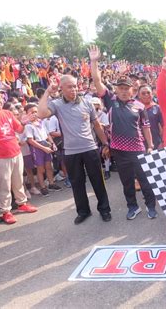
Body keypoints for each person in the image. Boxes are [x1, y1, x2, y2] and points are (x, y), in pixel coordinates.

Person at [89, 46, 157, 220]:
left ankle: (150, 206)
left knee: (145, 180)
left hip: (138, 150)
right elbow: (97, 81)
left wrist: (150, 146)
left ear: (132, 90)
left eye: (127, 88)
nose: (124, 91)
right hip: (119, 151)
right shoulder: (110, 100)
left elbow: (146, 127)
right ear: (117, 90)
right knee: (127, 182)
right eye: (121, 88)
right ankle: (133, 207)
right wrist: (94, 61)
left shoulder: (140, 106)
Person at [38, 75, 112, 225]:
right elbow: (41, 114)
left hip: (90, 148)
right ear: (62, 89)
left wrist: (105, 143)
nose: (74, 89)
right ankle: (83, 211)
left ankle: (104, 209)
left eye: (75, 86)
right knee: (77, 184)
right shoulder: (57, 104)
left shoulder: (87, 102)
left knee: (98, 181)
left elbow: (96, 125)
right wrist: (47, 92)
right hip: (71, 152)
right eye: (70, 87)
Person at [0, 88, 38, 224]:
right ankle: (5, 211)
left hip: (15, 152)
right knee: (4, 184)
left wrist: (26, 121)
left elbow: (19, 129)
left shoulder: (8, 113)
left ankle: (22, 204)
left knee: (18, 181)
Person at [24, 103, 62, 196]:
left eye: (36, 111)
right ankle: (43, 187)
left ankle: (51, 183)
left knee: (49, 166)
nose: (34, 114)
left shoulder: (41, 121)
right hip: (37, 148)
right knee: (40, 169)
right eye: (32, 112)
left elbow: (47, 134)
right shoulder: (28, 125)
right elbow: (30, 140)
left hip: (46, 145)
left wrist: (52, 143)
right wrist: (43, 148)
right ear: (26, 114)